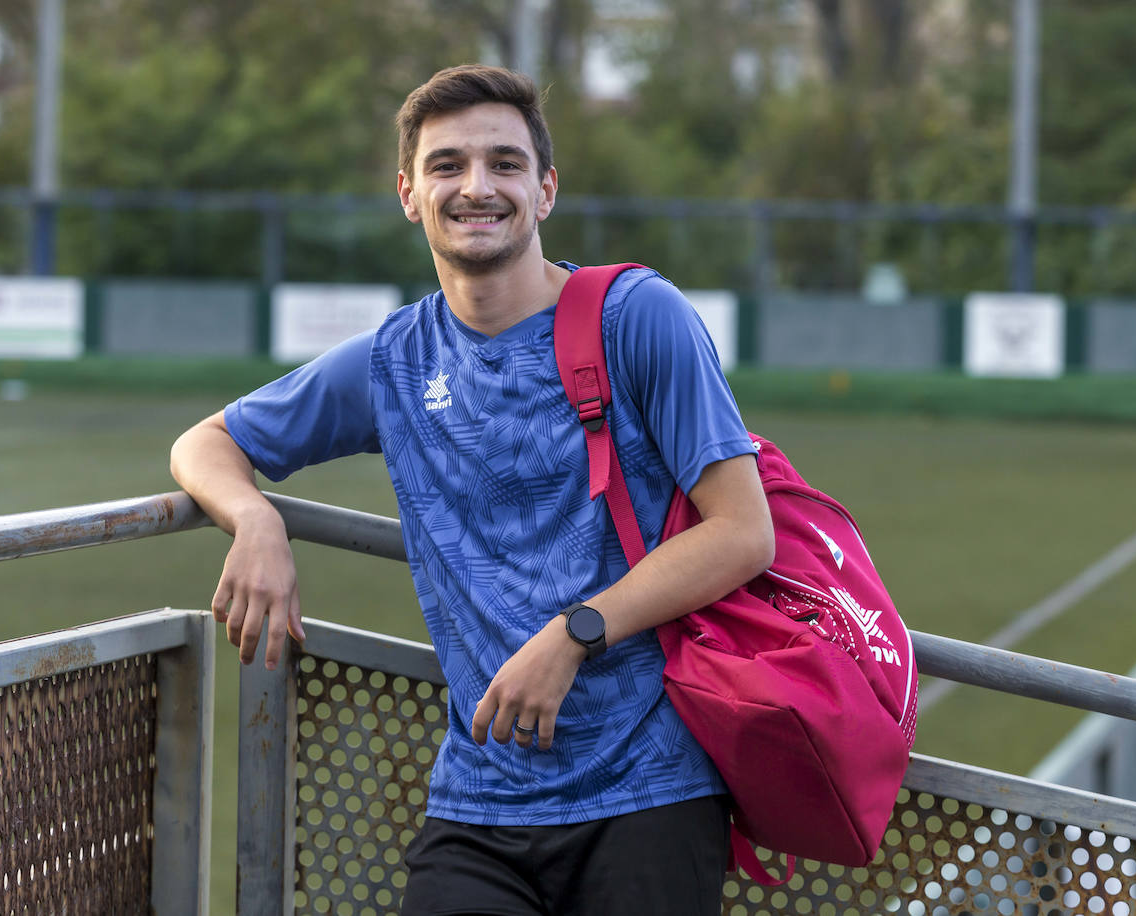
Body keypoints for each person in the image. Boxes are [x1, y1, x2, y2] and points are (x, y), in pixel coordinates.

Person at [170, 64, 773, 916]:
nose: (477, 187)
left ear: (546, 188)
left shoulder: (637, 316)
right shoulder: (395, 361)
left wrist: (574, 635)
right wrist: (254, 521)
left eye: (504, 163)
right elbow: (207, 443)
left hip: (651, 787)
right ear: (410, 195)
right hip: (479, 802)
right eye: (448, 166)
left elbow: (744, 532)